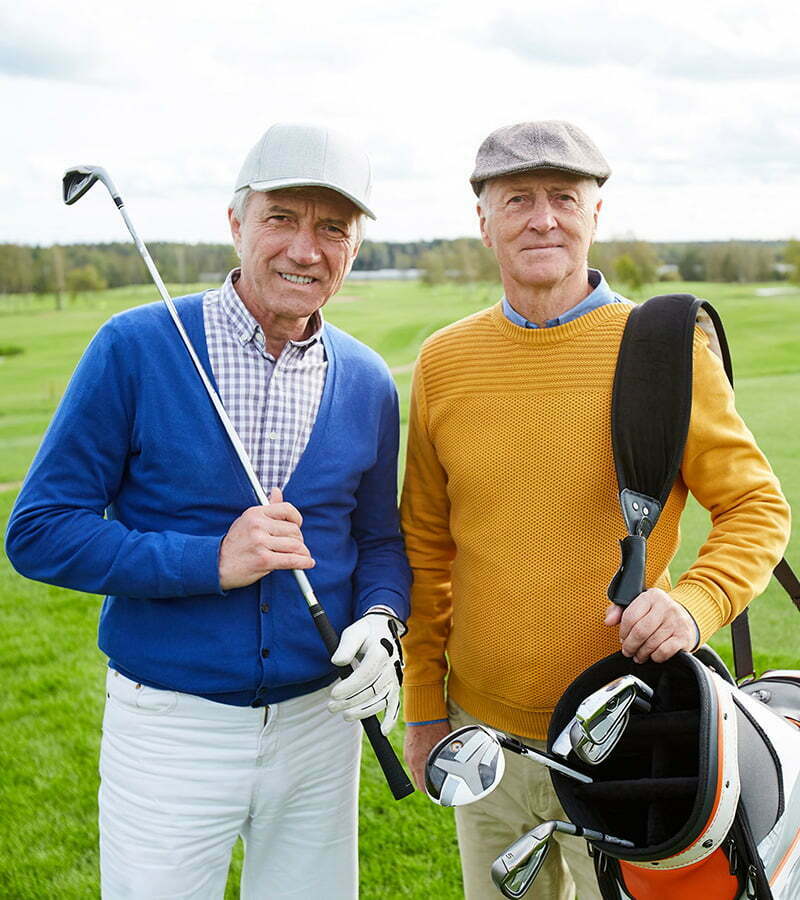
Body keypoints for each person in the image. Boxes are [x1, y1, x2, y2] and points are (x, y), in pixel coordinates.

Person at [6, 123, 410, 900]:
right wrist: (209, 560)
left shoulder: (366, 380)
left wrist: (383, 620)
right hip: (170, 728)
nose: (306, 249)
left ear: (355, 247)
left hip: (319, 728)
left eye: (333, 228)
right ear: (236, 222)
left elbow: (378, 540)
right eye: (281, 218)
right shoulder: (134, 348)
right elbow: (39, 532)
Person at [399, 120, 791, 899]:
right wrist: (421, 709)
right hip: (484, 740)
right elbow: (426, 548)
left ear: (595, 213)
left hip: (631, 736)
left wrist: (695, 603)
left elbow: (755, 506)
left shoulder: (665, 351)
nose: (542, 218)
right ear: (483, 221)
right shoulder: (443, 361)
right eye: (517, 199)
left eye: (563, 197)